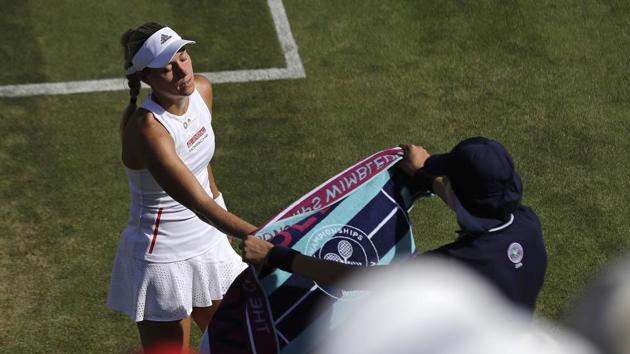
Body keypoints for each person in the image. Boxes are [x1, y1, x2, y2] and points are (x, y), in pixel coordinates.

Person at [243, 137, 548, 312]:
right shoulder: (526, 224)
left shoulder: (455, 266)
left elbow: (358, 280)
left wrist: (275, 255)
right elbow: (470, 204)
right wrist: (425, 177)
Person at [107, 22, 257, 352]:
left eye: (183, 56)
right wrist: (266, 237)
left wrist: (223, 213)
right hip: (163, 260)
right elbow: (197, 204)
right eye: (167, 68)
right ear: (146, 78)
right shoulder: (148, 130)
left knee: (241, 345)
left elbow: (202, 164)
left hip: (210, 244)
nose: (182, 71)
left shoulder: (202, 90)